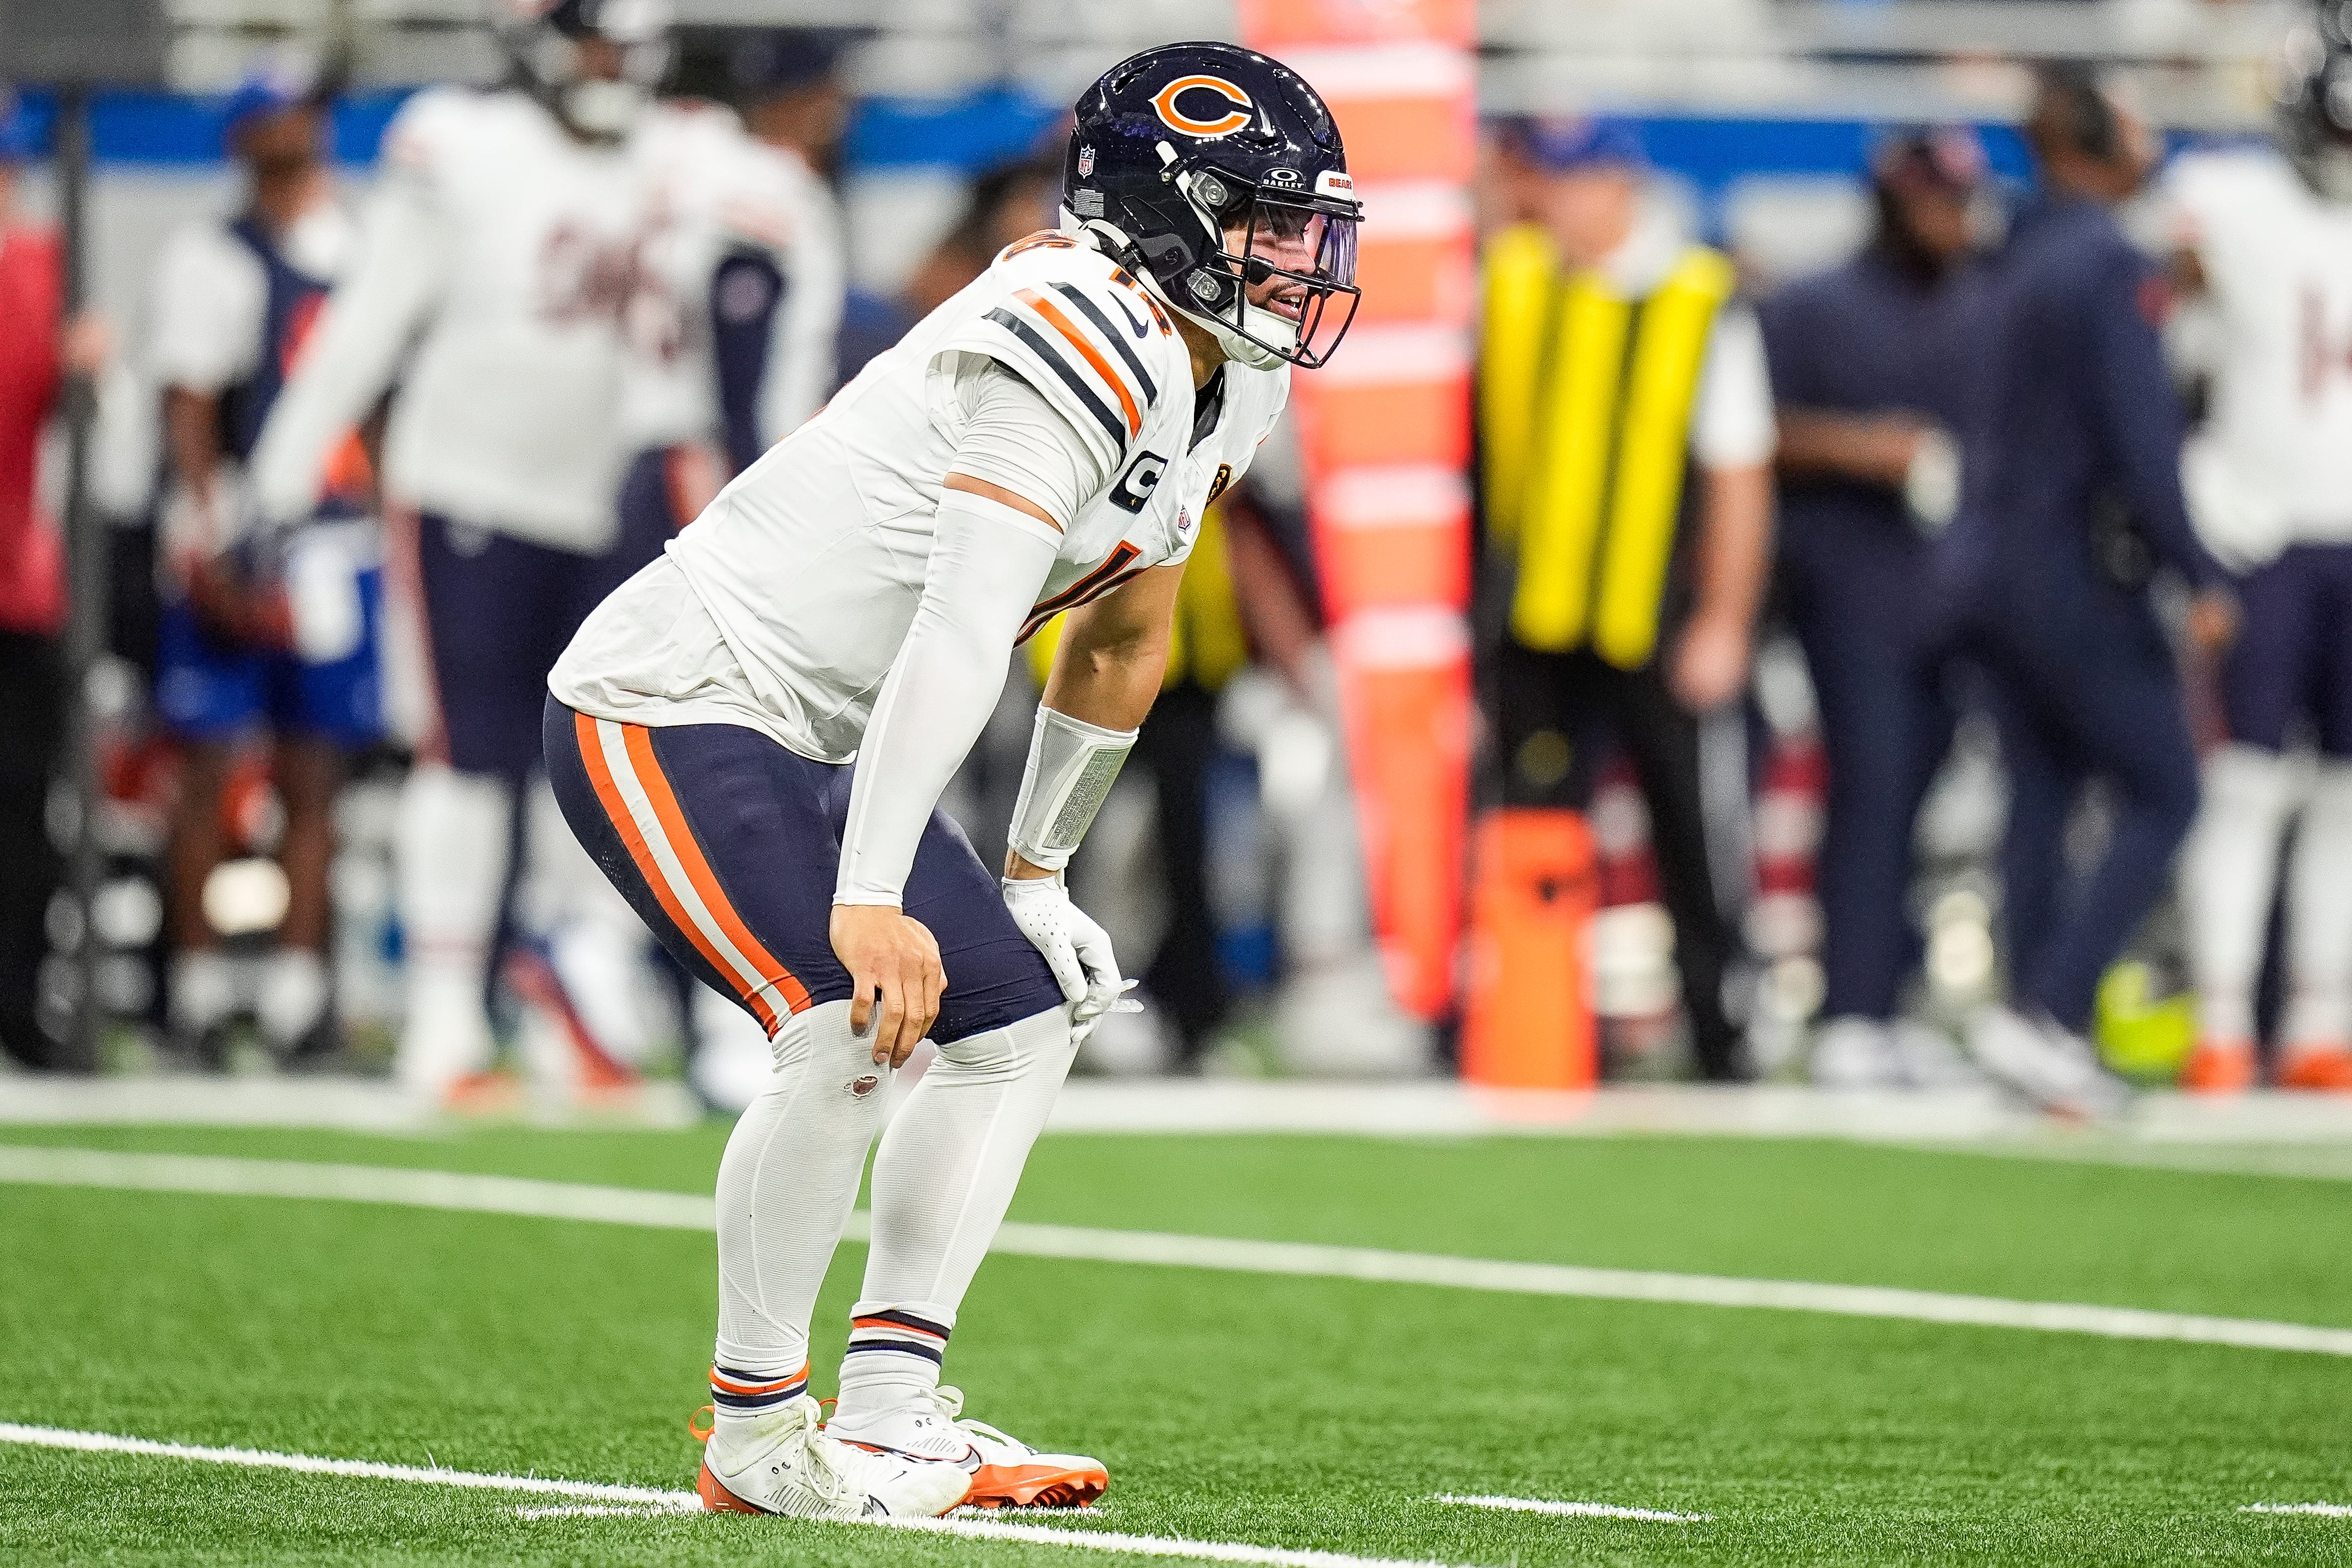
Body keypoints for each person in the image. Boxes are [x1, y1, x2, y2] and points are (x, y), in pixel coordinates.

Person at [543, 42, 1360, 1517]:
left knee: (1019, 1020)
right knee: (850, 1022)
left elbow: (1119, 636)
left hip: (813, 730)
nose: (1295, 258)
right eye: (1262, 219)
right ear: (1160, 209)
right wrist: (868, 894)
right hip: (669, 699)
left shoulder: (1221, 371)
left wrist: (1038, 875)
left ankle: (894, 1412)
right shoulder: (1071, 321)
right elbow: (959, 622)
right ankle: (755, 1436)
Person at [252, 0, 675, 1097]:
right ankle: (443, 1017)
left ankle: (564, 1005)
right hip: (466, 494)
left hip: (594, 495)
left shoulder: (652, 162)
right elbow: (369, 318)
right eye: (596, 45)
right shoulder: (461, 143)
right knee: (468, 756)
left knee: (580, 765)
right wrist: (286, 475)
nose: (611, 69)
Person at [1943, 65, 2237, 1116]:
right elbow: (2137, 434)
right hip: (2068, 563)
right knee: (2169, 787)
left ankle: (2027, 1021)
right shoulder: (2107, 262)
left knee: (2043, 792)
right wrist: (2196, 569)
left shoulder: (2015, 252)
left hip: (1984, 560)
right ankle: (2051, 1012)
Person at [1478, 116, 1777, 1081]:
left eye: (1573, 183)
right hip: (1535, 618)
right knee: (1532, 826)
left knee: (1688, 830)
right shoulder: (1518, 276)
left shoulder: (1696, 296)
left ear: (1621, 186)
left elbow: (1737, 474)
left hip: (1653, 616)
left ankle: (1720, 1024)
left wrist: (1724, 619)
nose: (1556, 203)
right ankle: (1537, 1024)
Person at [606, 35, 849, 1110]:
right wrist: (760, 502)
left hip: (671, 468)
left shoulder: (678, 165)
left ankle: (699, 1006)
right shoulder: (757, 185)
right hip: (716, 481)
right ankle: (723, 1019)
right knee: (738, 754)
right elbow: (744, 335)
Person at [147, 62, 382, 1065]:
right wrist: (207, 532)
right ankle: (194, 993)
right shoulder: (211, 258)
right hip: (240, 527)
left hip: (333, 538)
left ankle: (297, 998)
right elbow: (189, 404)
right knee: (207, 766)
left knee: (317, 772)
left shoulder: (360, 243)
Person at [1759, 128, 1995, 1088]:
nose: (1950, 219)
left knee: (1921, 795)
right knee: (1872, 783)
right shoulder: (1815, 305)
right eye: (1933, 200)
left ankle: (1888, 998)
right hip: (1846, 579)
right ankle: (1852, 1007)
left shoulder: (1981, 303)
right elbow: (1752, 429)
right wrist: (1864, 448)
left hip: (1955, 588)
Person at [2168, 19, 2352, 1095]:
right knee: (2239, 786)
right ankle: (2223, 1016)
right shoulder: (2226, 201)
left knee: (2343, 795)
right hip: (2262, 535)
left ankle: (2320, 1018)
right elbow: (2158, 342)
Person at [0, 89, 108, 1070]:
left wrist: (85, 369)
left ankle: (21, 1003)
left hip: (15, 584)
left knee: (29, 807)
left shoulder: (34, 263)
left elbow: (54, 400)